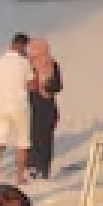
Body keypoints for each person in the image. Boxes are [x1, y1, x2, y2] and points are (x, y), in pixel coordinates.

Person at [0, 34, 34, 186]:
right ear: (22, 46)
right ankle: (20, 176)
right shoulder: (24, 63)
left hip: (1, 106)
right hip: (20, 106)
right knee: (22, 142)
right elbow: (31, 85)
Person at [26, 38, 64, 182]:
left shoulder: (52, 64)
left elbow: (58, 85)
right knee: (32, 138)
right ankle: (32, 168)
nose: (36, 52)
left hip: (47, 106)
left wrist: (47, 86)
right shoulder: (27, 65)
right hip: (31, 106)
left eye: (39, 49)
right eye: (34, 49)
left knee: (46, 139)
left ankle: (44, 169)